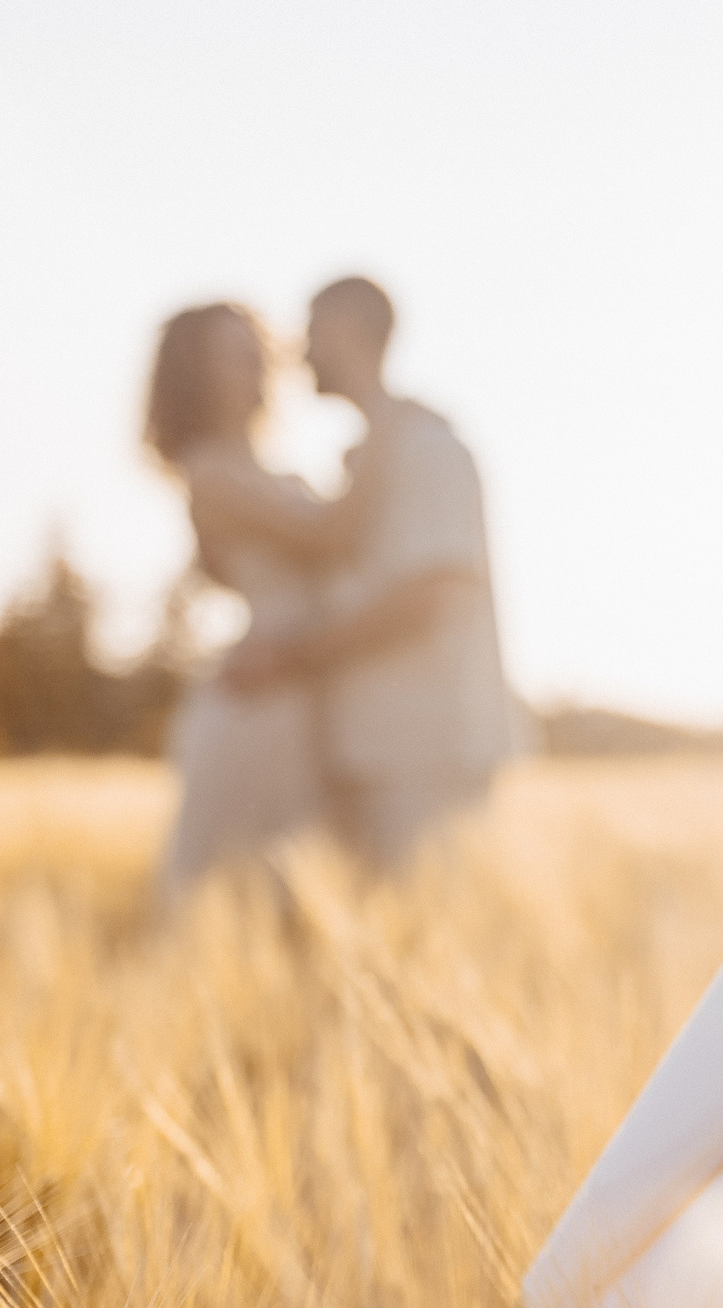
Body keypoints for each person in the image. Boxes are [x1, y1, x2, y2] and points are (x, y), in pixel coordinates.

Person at [220, 276, 517, 872]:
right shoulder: (371, 457)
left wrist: (285, 659)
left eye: (312, 334)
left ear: (348, 332)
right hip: (372, 750)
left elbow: (425, 601)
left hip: (424, 750)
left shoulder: (430, 449)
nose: (299, 355)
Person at [143, 302, 376, 897]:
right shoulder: (208, 470)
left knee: (296, 889)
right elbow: (328, 539)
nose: (257, 366)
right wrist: (386, 435)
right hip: (262, 703)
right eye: (235, 355)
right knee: (243, 892)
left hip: (299, 679)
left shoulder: (258, 469)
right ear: (198, 377)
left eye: (257, 351)